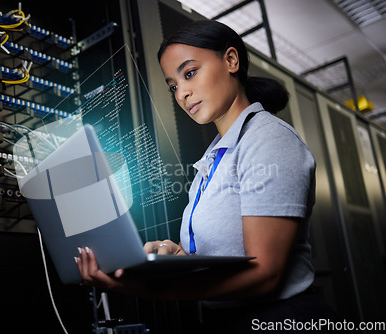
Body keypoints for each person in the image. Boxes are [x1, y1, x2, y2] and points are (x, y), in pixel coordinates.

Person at [75, 20, 340, 332]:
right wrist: (180, 255)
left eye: (189, 73)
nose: (182, 93)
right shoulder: (213, 159)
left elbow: (265, 273)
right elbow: (226, 251)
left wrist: (153, 289)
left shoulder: (269, 139)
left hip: (281, 319)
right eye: (173, 85)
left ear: (231, 60)